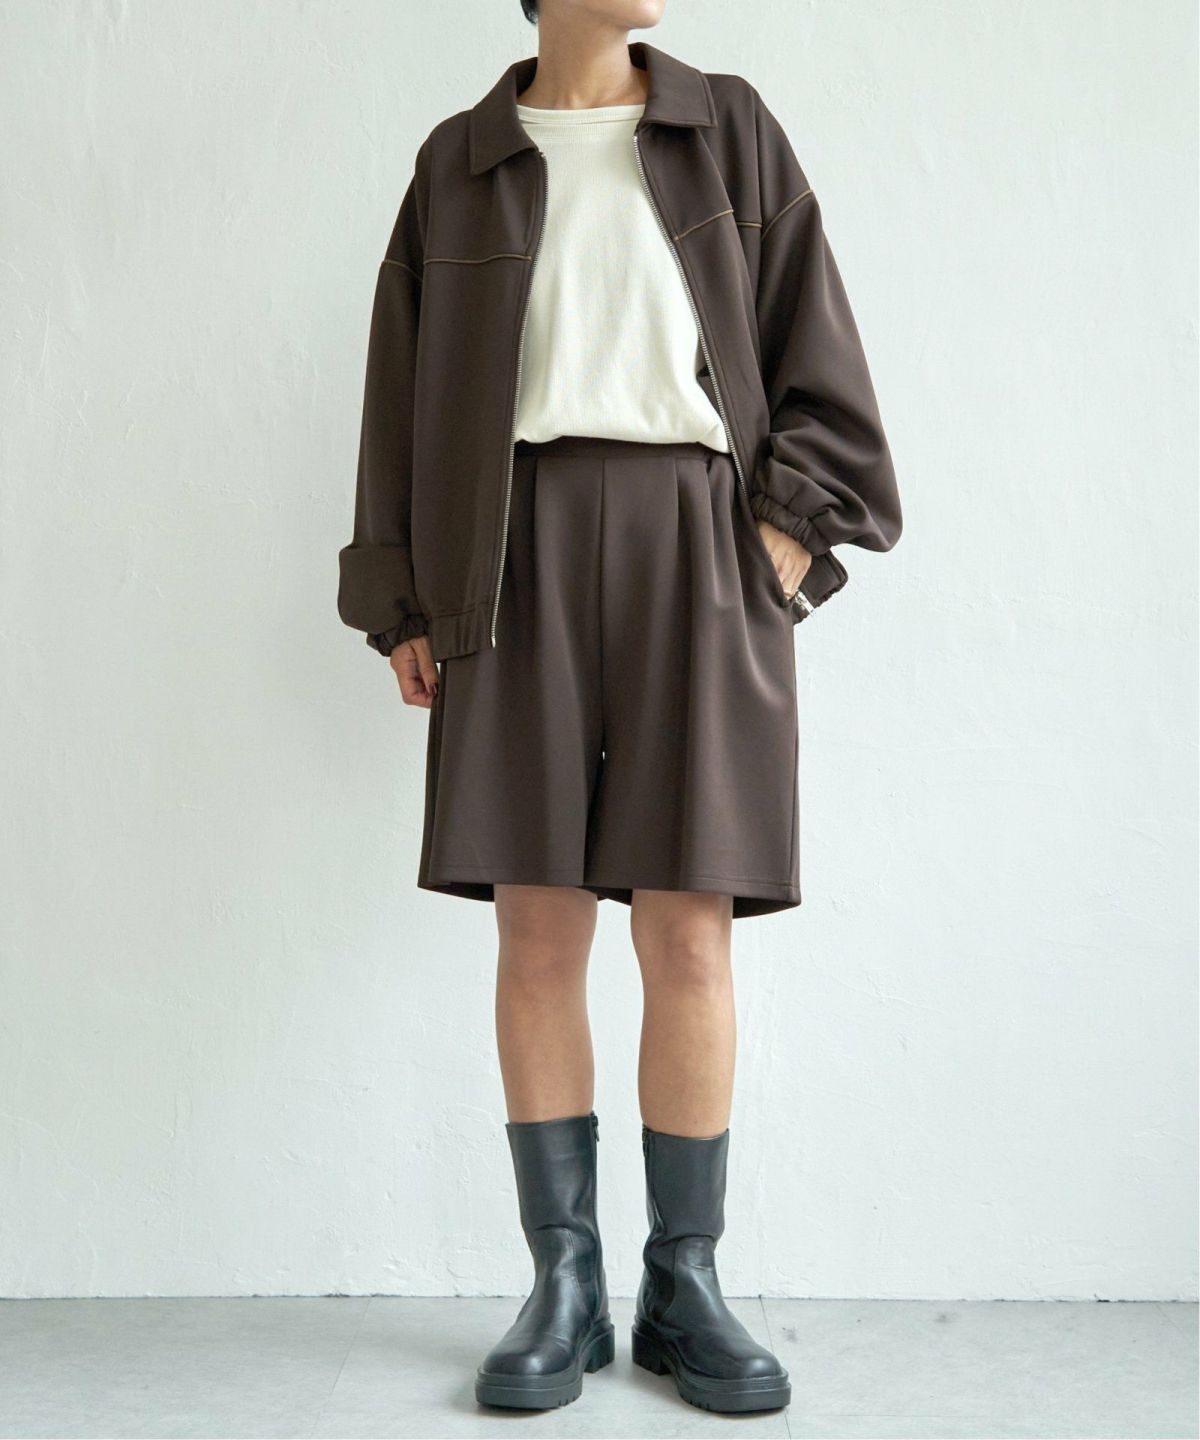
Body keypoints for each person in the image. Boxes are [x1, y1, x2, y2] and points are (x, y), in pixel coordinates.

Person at [337, 0, 901, 1415]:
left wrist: (784, 537)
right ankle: (565, 1285)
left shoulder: (727, 130)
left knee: (687, 926)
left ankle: (684, 1285)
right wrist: (401, 596)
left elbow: (816, 347)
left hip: (698, 546)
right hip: (508, 552)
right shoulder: (462, 158)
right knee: (538, 926)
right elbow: (401, 391)